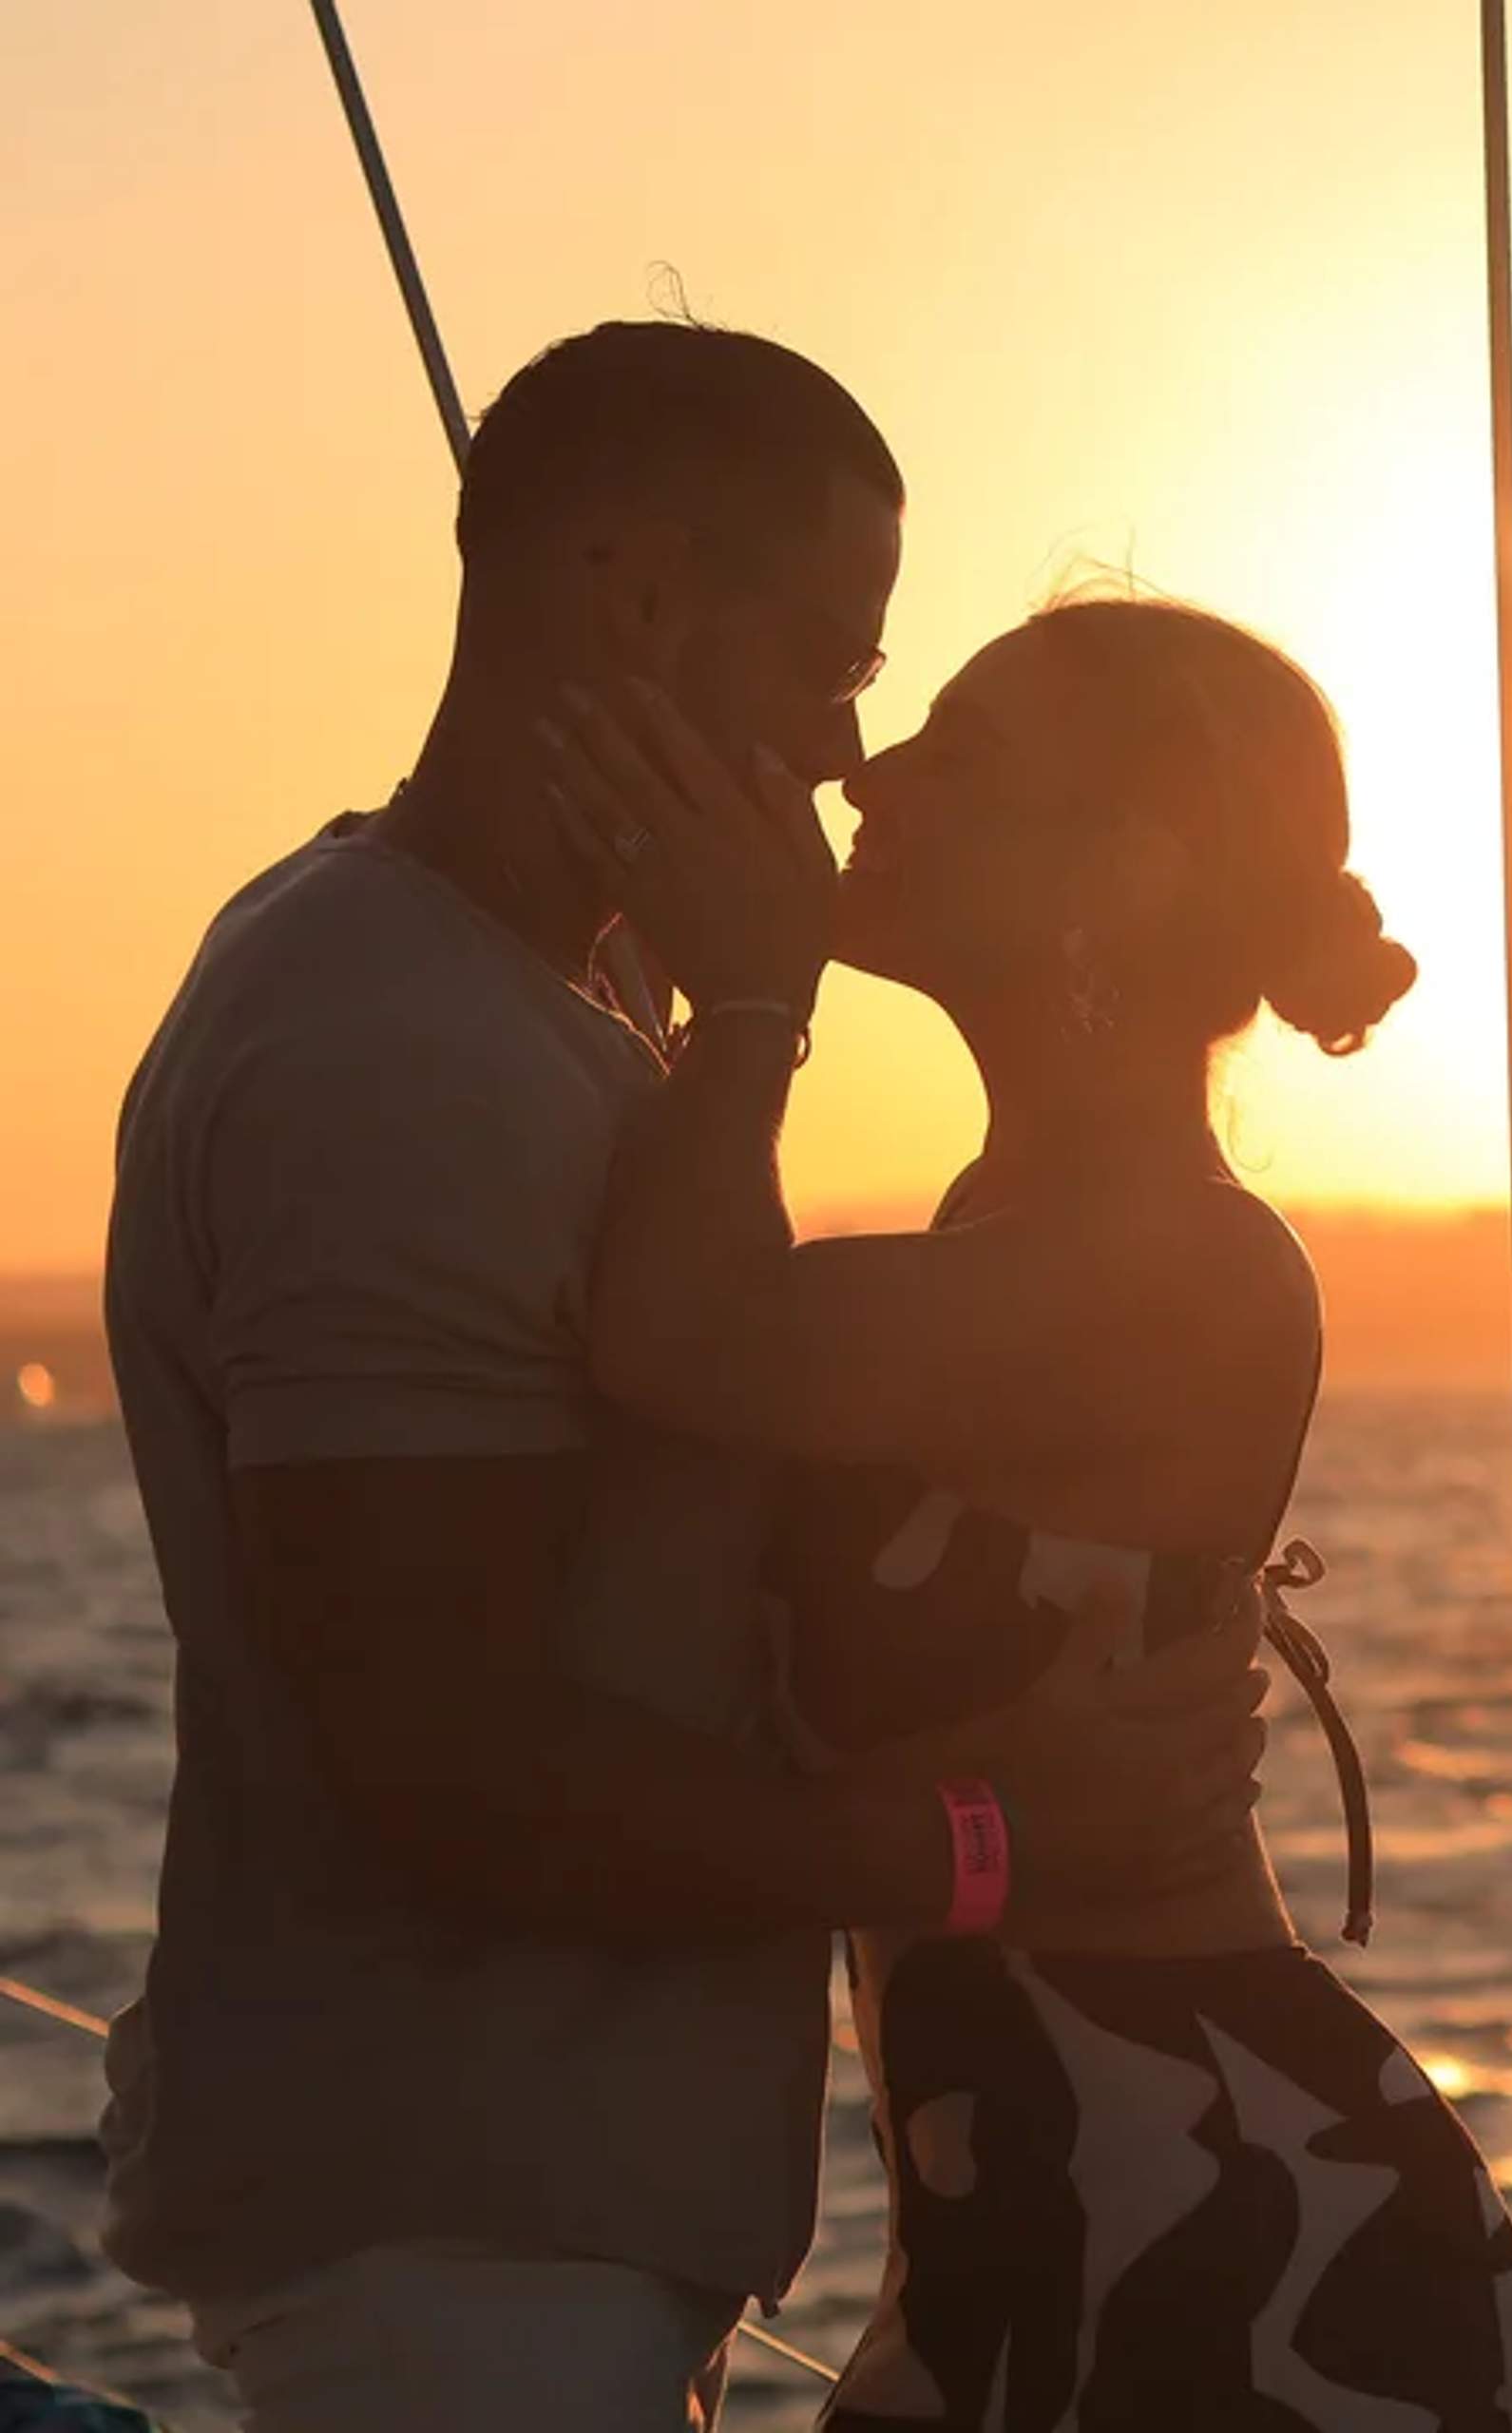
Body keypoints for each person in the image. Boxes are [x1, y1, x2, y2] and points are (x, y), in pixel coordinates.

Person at [97, 322, 1271, 2432]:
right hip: (458, 2252)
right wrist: (994, 1836)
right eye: (832, 659)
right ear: (632, 596)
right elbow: (442, 1755)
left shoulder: (552, 1001)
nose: (846, 752)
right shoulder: (395, 1042)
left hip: (562, 2220)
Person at [538, 590, 1512, 2428]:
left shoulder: (1183, 1264)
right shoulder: (1010, 1222)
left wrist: (758, 993)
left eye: (963, 753)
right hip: (1039, 2204)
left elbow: (678, 1333)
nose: (875, 774)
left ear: (1121, 863)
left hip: (1236, 2215)